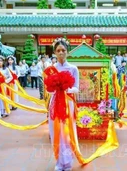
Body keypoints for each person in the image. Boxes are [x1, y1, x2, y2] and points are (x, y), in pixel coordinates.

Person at [47, 38, 79, 171]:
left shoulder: (73, 68)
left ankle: (68, 162)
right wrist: (54, 88)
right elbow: (48, 89)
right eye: (58, 50)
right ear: (54, 52)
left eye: (63, 50)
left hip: (68, 103)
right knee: (55, 131)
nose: (61, 53)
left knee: (66, 132)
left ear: (67, 52)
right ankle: (59, 161)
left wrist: (67, 89)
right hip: (55, 103)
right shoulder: (50, 69)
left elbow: (77, 88)